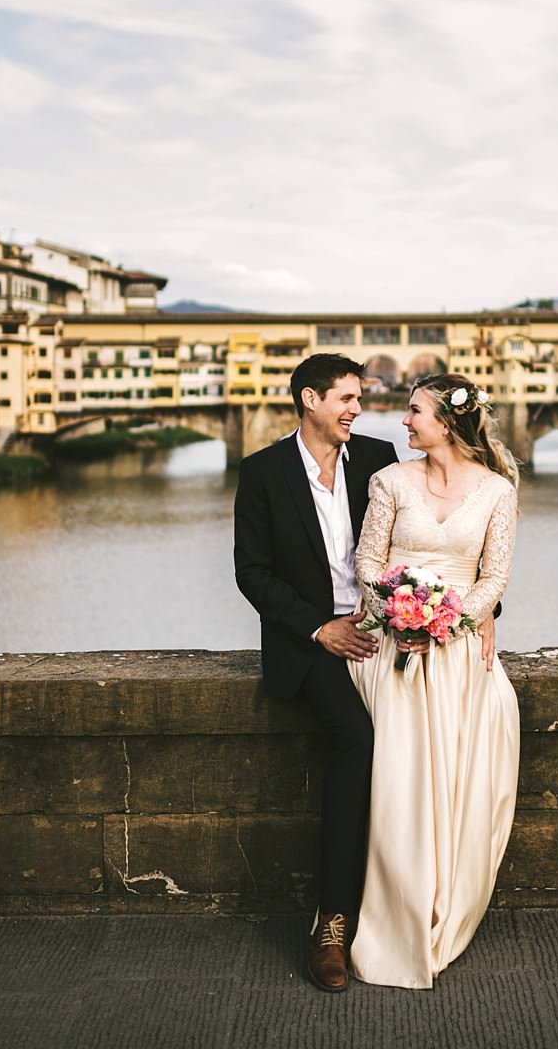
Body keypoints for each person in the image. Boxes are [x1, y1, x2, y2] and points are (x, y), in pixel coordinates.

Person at [347, 372, 520, 989]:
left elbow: (494, 577)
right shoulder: (390, 481)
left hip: (457, 652)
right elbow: (368, 562)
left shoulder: (497, 491)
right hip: (390, 643)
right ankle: (396, 910)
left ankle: (446, 901)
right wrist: (400, 615)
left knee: (467, 772)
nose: (404, 420)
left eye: (414, 410)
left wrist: (447, 622)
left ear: (445, 423)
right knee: (398, 782)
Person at [232, 353, 398, 992]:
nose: (357, 408)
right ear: (310, 399)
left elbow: (428, 533)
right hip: (309, 643)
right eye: (347, 398)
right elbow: (252, 573)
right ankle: (331, 923)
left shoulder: (379, 459)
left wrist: (480, 608)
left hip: (381, 632)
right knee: (355, 739)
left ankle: (399, 908)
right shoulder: (264, 471)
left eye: (358, 398)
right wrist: (319, 629)